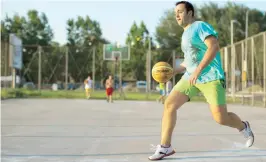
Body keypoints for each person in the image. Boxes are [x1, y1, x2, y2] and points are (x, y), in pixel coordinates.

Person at [148, 1, 254, 160]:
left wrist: (198, 70)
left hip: (211, 76)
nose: (177, 15)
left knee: (220, 118)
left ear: (190, 13)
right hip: (191, 77)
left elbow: (213, 47)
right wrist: (173, 71)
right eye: (175, 12)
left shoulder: (200, 26)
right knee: (170, 104)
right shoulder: (185, 34)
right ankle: (165, 147)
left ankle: (243, 126)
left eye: (180, 12)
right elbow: (189, 61)